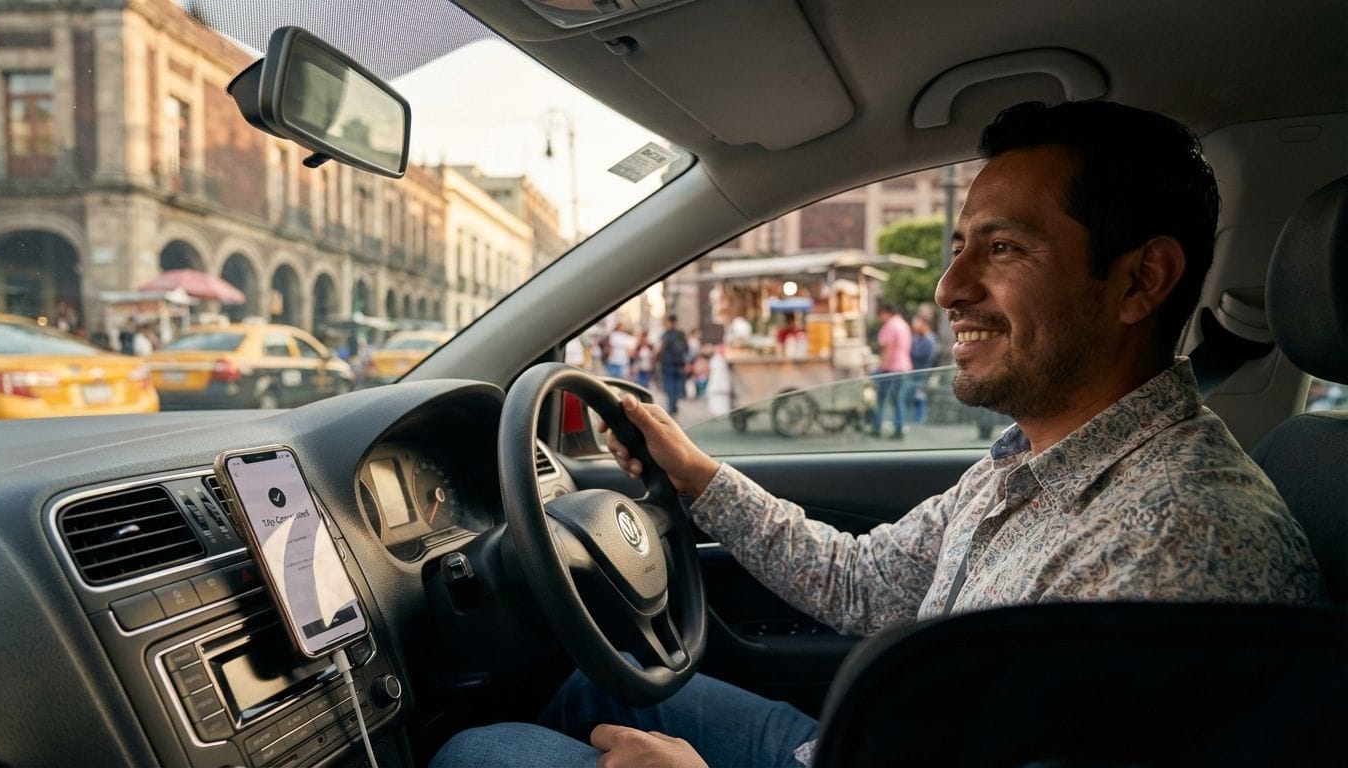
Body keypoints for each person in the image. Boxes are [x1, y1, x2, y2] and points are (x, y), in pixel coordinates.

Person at [431, 100, 1325, 768]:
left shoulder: (1179, 544)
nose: (949, 288)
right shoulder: (1032, 460)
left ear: (1140, 282)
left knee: (482, 753)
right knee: (593, 684)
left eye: (1003, 248)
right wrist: (698, 476)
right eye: (959, 246)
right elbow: (864, 583)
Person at [870, 302, 912, 438]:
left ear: (885, 312)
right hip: (904, 366)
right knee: (898, 399)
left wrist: (881, 366)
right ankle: (899, 427)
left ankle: (876, 426)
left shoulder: (889, 326)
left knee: (880, 399)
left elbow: (886, 348)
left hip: (890, 368)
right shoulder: (903, 324)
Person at [908, 311, 939, 422]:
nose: (914, 325)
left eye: (917, 322)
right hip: (914, 373)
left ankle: (920, 419)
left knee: (920, 397)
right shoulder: (916, 338)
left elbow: (919, 355)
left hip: (923, 373)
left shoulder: (930, 340)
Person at [658, 315, 690, 415]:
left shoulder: (666, 334)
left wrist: (659, 360)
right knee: (676, 386)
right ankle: (674, 406)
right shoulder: (681, 334)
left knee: (669, 386)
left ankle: (672, 407)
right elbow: (686, 349)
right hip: (680, 363)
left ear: (670, 322)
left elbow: (662, 349)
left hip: (668, 364)